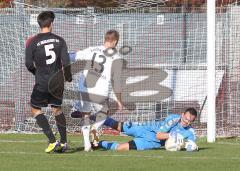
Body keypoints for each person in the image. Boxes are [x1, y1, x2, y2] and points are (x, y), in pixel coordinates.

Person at [25, 11, 72, 153]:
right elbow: (66, 62)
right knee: (57, 109)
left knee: (35, 109)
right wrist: (68, 77)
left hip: (42, 81)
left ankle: (52, 140)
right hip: (57, 81)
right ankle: (64, 142)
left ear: (40, 24)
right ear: (51, 23)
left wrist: (36, 72)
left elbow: (28, 64)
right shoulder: (60, 40)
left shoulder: (32, 41)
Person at [69, 30, 124, 151]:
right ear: (115, 42)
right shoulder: (116, 57)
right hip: (100, 89)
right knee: (104, 114)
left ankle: (87, 144)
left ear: (105, 39)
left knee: (86, 115)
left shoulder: (92, 49)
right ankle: (95, 128)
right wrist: (119, 100)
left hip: (84, 88)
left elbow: (72, 57)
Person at [98, 108, 198, 151]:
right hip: (145, 128)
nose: (187, 122)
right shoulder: (173, 119)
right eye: (186, 119)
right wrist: (174, 136)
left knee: (121, 148)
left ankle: (99, 143)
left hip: (151, 142)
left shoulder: (190, 132)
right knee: (118, 126)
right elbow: (159, 135)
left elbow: (191, 145)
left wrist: (190, 147)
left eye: (190, 121)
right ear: (182, 115)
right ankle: (97, 117)